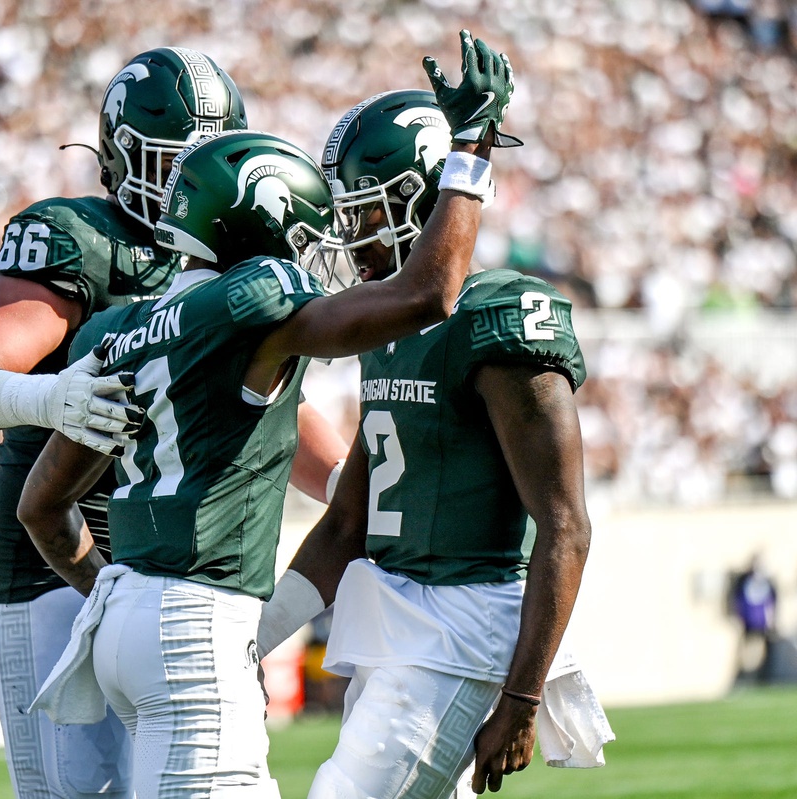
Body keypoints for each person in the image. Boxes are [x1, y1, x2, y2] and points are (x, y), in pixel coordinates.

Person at [15, 30, 512, 799]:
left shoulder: (120, 329)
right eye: (305, 232)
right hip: (193, 616)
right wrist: (471, 150)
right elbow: (428, 295)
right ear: (259, 223)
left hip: (120, 617)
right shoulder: (250, 301)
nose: (317, 252)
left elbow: (43, 506)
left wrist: (117, 589)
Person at [0, 47, 346, 799]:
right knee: (79, 791)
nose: (187, 180)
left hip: (150, 577)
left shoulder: (231, 254)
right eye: (168, 161)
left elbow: (275, 404)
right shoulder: (80, 236)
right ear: (119, 158)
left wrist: (350, 482)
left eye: (203, 160)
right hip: (40, 571)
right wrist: (45, 400)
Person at [254, 77, 604, 798]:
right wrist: (250, 640)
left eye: (367, 213)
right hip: (396, 620)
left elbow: (565, 524)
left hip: (462, 626)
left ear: (421, 198)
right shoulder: (388, 326)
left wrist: (522, 697)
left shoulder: (498, 315)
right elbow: (349, 520)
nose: (352, 236)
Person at [731, 554, 777, 684]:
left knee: (763, 654)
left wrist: (772, 620)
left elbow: (773, 601)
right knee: (746, 654)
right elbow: (738, 601)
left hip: (763, 624)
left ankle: (762, 678)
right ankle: (746, 678)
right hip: (749, 623)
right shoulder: (744, 581)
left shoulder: (767, 582)